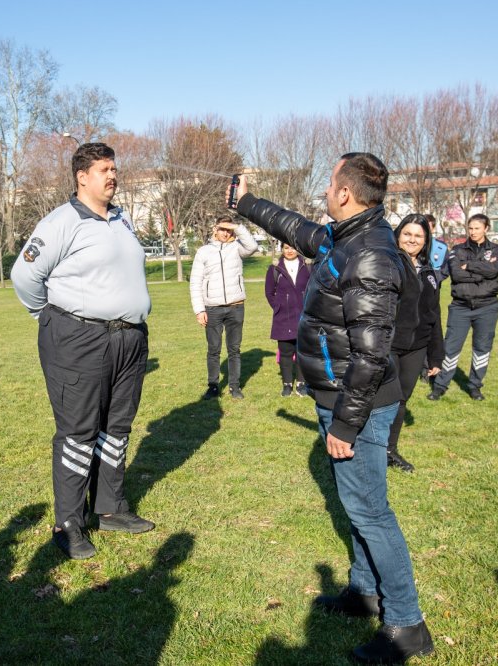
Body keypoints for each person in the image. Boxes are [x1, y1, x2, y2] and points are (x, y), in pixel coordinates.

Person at [233, 153, 434, 664]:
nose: (324, 192)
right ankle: (364, 592)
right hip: (339, 398)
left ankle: (407, 624)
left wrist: (345, 422)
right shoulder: (347, 238)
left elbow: (370, 353)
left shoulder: (370, 255)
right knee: (359, 506)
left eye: (328, 184)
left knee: (371, 511)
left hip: (357, 406)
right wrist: (247, 204)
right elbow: (297, 229)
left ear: (344, 193)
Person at [10, 142, 154, 560]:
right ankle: (68, 524)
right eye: (104, 170)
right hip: (78, 339)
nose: (113, 176)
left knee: (117, 427)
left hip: (128, 339)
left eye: (114, 168)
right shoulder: (61, 222)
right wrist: (51, 318)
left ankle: (109, 509)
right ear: (82, 177)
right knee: (78, 432)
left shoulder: (123, 219)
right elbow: (24, 275)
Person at [387, 215, 444, 473]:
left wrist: (435, 356)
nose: (412, 239)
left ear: (426, 240)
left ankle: (390, 449)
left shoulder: (430, 272)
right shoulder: (389, 263)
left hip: (416, 346)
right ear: (398, 235)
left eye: (418, 236)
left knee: (401, 398)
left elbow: (434, 314)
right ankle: (368, 448)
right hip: (388, 343)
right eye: (407, 234)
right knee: (380, 398)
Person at [428, 213, 498, 402]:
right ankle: (439, 386)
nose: (473, 232)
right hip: (460, 307)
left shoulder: (496, 250)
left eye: (477, 228)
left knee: (482, 347)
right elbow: (456, 273)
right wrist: (481, 270)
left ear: (486, 228)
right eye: (470, 228)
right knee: (451, 347)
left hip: (487, 306)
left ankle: (475, 386)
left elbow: (493, 270)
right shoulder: (458, 249)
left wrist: (468, 266)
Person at [189, 216, 258, 399]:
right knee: (214, 349)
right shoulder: (204, 251)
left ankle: (234, 387)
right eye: (222, 229)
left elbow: (252, 246)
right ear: (215, 230)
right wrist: (199, 310)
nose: (225, 233)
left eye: (228, 230)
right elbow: (195, 282)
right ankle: (213, 386)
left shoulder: (237, 248)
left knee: (234, 349)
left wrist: (237, 226)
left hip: (236, 307)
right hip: (212, 308)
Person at [264, 242, 310, 397]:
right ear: (281, 250)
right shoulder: (275, 269)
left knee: (302, 351)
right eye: (286, 248)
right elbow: (269, 292)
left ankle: (301, 383)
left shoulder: (307, 266)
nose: (289, 251)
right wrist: (278, 307)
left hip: (304, 316)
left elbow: (314, 289)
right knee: (285, 352)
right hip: (283, 318)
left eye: (292, 247)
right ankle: (287, 383)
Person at [423, 214, 449, 283]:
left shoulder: (442, 248)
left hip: (434, 289)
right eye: (422, 227)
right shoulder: (411, 244)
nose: (424, 230)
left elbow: (446, 269)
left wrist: (434, 280)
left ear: (433, 229)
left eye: (428, 227)